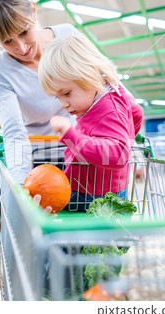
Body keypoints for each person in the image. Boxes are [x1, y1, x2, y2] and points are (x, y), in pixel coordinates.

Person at [38, 33, 144, 210]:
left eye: (66, 93)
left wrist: (73, 137)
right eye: (58, 98)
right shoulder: (111, 96)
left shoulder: (108, 108)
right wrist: (128, 135)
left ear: (88, 74)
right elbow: (136, 113)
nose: (63, 104)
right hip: (93, 189)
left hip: (93, 197)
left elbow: (119, 155)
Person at [0, 0, 78, 184]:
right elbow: (14, 134)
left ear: (33, 10)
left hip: (83, 153)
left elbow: (105, 82)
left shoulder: (68, 37)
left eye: (24, 32)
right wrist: (23, 184)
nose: (22, 48)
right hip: (37, 162)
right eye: (7, 41)